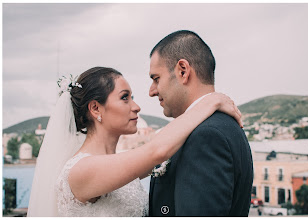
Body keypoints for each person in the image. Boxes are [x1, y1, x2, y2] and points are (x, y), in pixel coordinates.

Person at [27, 67, 242, 217]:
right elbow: (157, 150)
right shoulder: (80, 170)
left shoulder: (116, 163)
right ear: (95, 109)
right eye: (124, 97)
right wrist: (211, 101)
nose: (136, 106)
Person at [148, 30, 253, 216]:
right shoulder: (219, 127)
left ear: (183, 71)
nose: (152, 91)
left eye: (156, 79)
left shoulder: (207, 136)